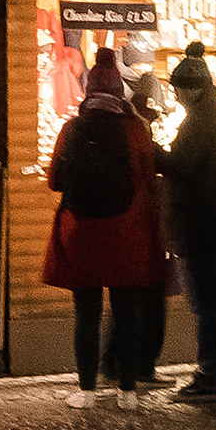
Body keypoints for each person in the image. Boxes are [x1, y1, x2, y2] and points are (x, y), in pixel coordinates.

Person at [41, 53, 165, 395]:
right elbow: (147, 179)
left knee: (86, 314)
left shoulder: (70, 128)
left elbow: (54, 180)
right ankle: (126, 391)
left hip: (79, 231)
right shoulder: (135, 129)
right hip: (126, 229)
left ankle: (86, 391)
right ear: (119, 92)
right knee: (127, 313)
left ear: (90, 90)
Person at [159, 47, 216, 404]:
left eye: (178, 89)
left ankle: (211, 374)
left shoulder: (202, 119)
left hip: (200, 222)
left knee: (206, 305)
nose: (177, 96)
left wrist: (153, 151)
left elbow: (182, 165)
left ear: (190, 88)